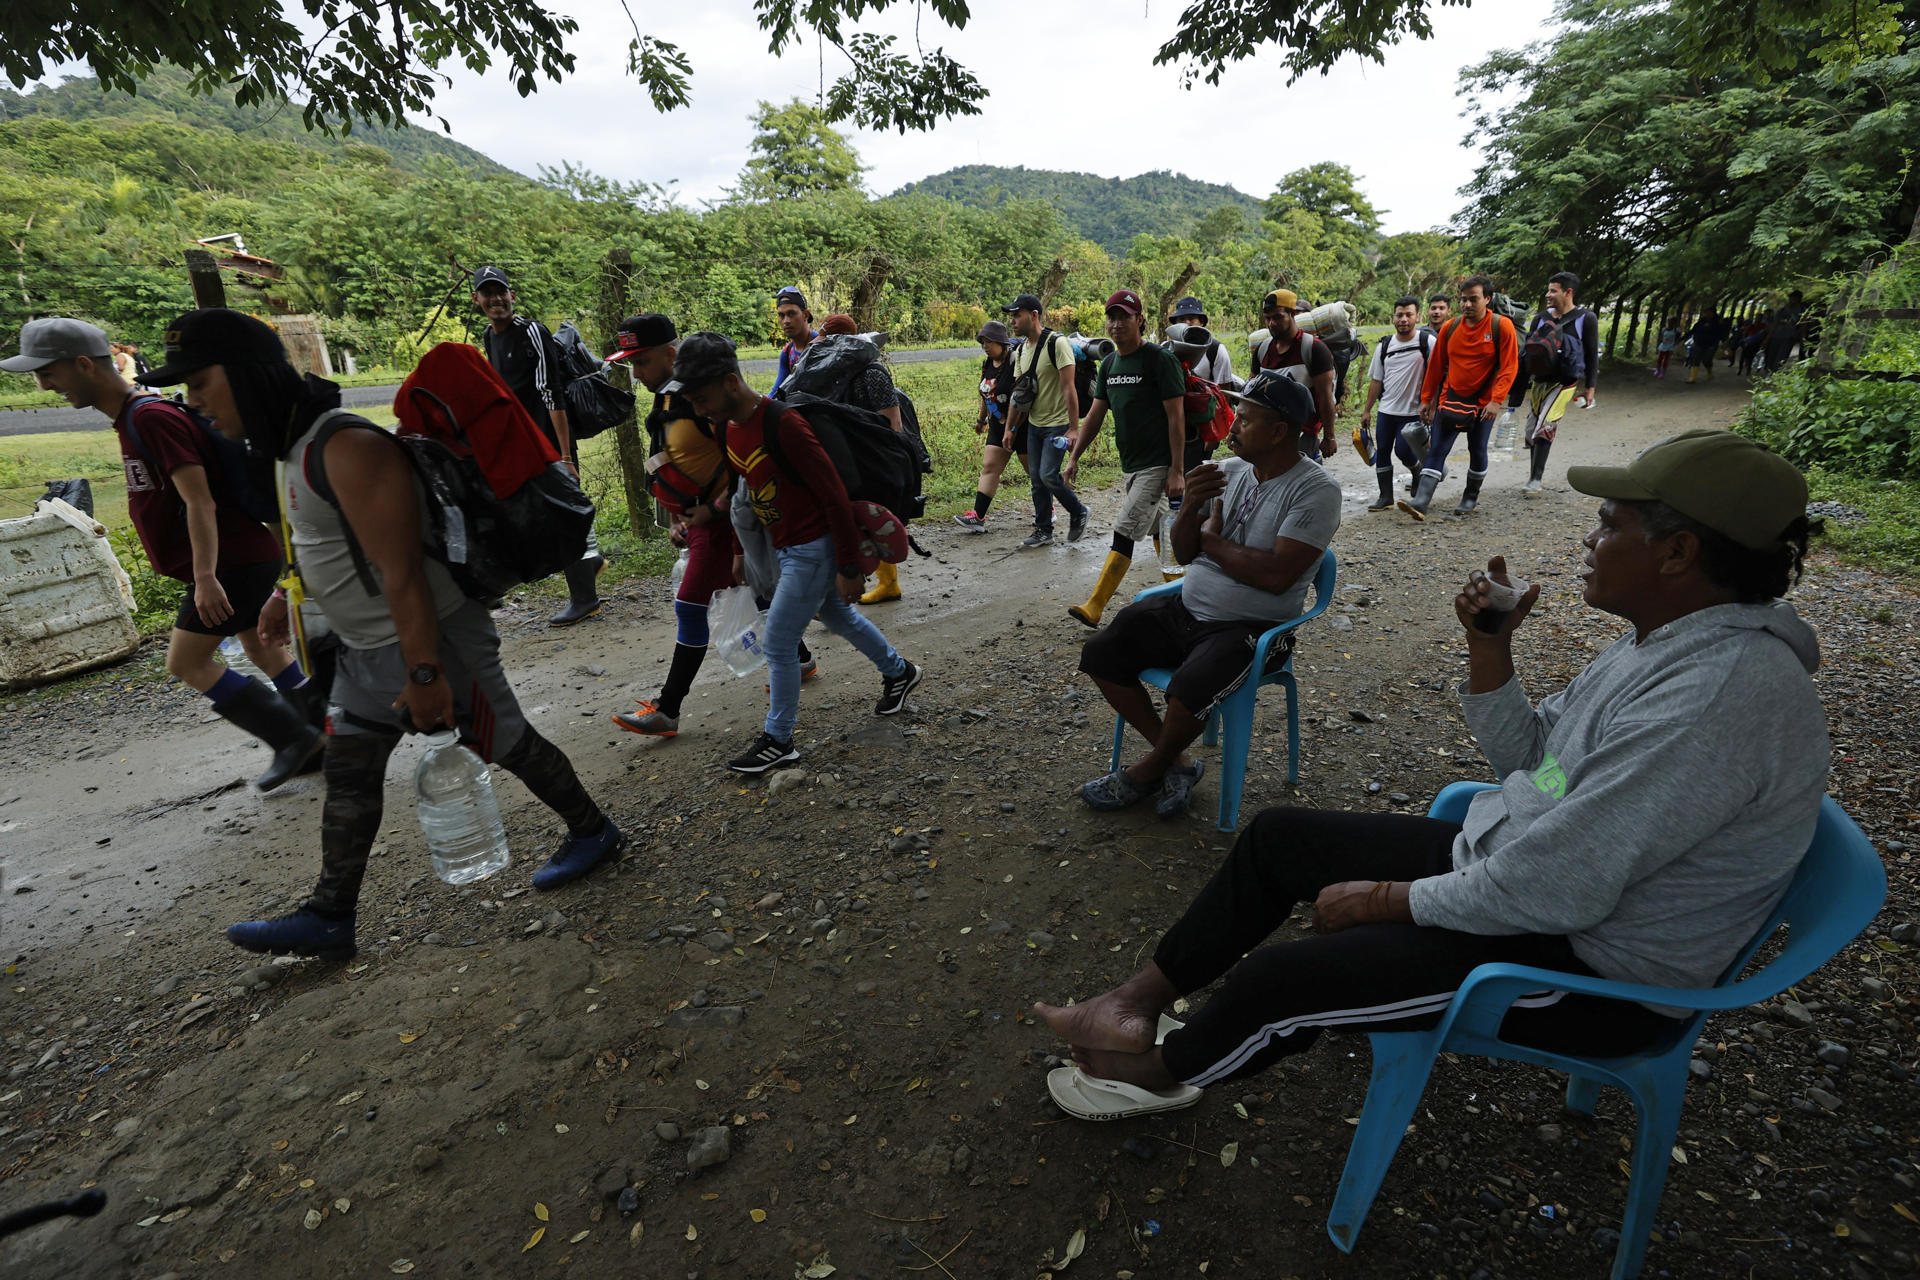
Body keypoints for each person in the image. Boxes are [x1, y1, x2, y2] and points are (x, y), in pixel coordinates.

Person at [1035, 429, 1825, 1113]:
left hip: (1589, 967)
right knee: (1281, 840)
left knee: (1281, 982)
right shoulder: (1669, 639)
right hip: (1531, 874)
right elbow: (1539, 766)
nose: (1590, 538)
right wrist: (1491, 647)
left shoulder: (1716, 694)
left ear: (1681, 552)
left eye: (1609, 524)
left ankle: (1154, 1074)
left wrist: (1391, 901)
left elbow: (1564, 889)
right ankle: (1134, 1004)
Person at [138, 308, 625, 957]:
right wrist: (288, 592)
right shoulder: (290, 450)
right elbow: (322, 540)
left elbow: (403, 575)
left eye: (201, 382)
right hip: (370, 648)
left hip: (435, 639)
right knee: (349, 771)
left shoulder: (345, 447)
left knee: (506, 739)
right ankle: (330, 914)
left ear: (248, 375)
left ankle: (594, 832)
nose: (192, 401)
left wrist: (425, 674)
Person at [5, 317, 321, 792]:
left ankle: (295, 739)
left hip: (227, 561)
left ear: (84, 365)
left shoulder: (150, 417)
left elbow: (199, 499)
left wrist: (206, 576)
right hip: (236, 557)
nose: (44, 385)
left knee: (186, 663)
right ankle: (323, 735)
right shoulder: (134, 417)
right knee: (260, 645)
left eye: (47, 373)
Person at [1076, 372, 1340, 818]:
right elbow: (1183, 551)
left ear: (1279, 431)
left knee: (1193, 684)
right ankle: (1177, 762)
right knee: (1103, 651)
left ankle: (1147, 770)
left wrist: (1213, 543)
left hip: (1254, 629)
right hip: (1188, 607)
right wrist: (1191, 508)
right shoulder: (1229, 472)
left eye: (1245, 420)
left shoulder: (1316, 491)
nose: (1232, 427)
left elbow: (1276, 576)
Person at [673, 332, 924, 775]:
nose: (699, 409)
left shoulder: (783, 423)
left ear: (731, 381)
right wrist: (737, 551)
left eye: (702, 397)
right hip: (784, 547)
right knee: (837, 617)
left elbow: (832, 495)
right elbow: (739, 491)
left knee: (780, 641)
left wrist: (848, 565)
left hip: (813, 546)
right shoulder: (727, 427)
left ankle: (779, 739)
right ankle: (900, 671)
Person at [603, 313, 742, 739]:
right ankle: (802, 659)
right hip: (700, 521)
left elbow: (741, 467)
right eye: (631, 364)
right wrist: (674, 518)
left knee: (690, 606)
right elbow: (674, 463)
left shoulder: (702, 402)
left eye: (641, 361)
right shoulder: (665, 398)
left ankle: (668, 709)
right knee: (766, 600)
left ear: (670, 354)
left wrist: (737, 540)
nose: (636, 372)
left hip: (724, 523)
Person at [471, 265, 603, 627]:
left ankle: (585, 598)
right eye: (488, 293)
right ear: (477, 299)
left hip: (550, 442)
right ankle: (589, 564)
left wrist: (564, 455)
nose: (496, 299)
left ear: (513, 296)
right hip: (522, 441)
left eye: (502, 292)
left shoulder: (531, 332)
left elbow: (552, 393)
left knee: (562, 514)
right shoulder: (489, 335)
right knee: (541, 512)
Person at [1062, 290, 1188, 627]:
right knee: (1164, 531)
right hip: (1131, 465)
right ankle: (1185, 600)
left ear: (1140, 320)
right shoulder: (1109, 365)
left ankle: (1095, 605)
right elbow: (1095, 417)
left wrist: (1177, 471)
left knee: (1125, 529)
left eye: (1125, 317)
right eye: (1112, 317)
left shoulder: (1159, 361)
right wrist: (1074, 458)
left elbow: (1177, 418)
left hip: (1158, 464)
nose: (1116, 324)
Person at [1400, 275, 1518, 519]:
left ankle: (1470, 497)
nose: (1467, 305)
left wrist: (1496, 400)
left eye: (1473, 299)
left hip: (1483, 404)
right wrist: (1427, 399)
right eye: (1463, 300)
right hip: (1449, 399)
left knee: (1477, 450)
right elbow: (1435, 366)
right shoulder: (1450, 327)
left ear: (1487, 299)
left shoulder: (1501, 326)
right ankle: (1421, 502)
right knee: (1436, 450)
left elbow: (1509, 366)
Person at [1002, 292, 1087, 548]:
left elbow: (1069, 388)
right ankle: (1043, 530)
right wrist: (1010, 428)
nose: (1013, 321)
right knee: (1037, 479)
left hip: (1058, 424)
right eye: (1012, 316)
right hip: (1035, 425)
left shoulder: (1057, 344)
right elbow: (1020, 395)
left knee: (1049, 475)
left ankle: (1079, 511)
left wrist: (1074, 428)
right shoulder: (1019, 350)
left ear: (1034, 315)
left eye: (1017, 315)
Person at [1357, 296, 1431, 511]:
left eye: (1409, 314)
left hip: (1414, 412)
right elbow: (1376, 381)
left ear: (1418, 316)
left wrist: (1433, 404)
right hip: (1387, 410)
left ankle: (1417, 471)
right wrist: (1367, 410)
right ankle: (1385, 497)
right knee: (1383, 452)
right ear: (1393, 318)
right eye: (1400, 315)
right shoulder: (1385, 345)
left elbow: (1438, 374)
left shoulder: (1427, 342)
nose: (1404, 319)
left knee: (1403, 450)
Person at [1513, 288, 1588, 497]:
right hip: (1539, 382)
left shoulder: (1584, 319)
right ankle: (1533, 475)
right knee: (1532, 428)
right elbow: (1527, 352)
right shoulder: (1540, 318)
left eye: (1553, 290)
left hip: (1565, 382)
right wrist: (1517, 388)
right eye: (1546, 290)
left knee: (1546, 424)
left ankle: (1535, 478)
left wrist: (1590, 387)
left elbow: (1591, 353)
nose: (1547, 294)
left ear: (1568, 292)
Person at [1248, 289, 1338, 459]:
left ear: (1293, 314)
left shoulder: (1314, 349)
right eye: (1268, 319)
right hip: (1267, 431)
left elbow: (1325, 397)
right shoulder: (1262, 350)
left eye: (1277, 317)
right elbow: (1252, 393)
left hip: (1303, 434)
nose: (1271, 324)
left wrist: (1329, 436)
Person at [954, 320, 1023, 533]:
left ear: (1002, 342)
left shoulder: (1015, 362)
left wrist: (1012, 428)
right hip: (996, 426)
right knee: (989, 468)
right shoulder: (987, 364)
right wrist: (980, 420)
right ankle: (978, 517)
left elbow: (1021, 397)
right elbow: (986, 394)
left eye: (990, 342)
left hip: (1020, 425)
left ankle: (1047, 510)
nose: (985, 346)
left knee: (1036, 473)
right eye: (983, 342)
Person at [1167, 296, 1237, 387]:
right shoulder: (1167, 349)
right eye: (1181, 319)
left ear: (1201, 322)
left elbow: (1224, 391)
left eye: (1191, 319)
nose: (1186, 323)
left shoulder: (1215, 349)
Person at [770, 286, 817, 392]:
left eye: (791, 314)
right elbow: (778, 390)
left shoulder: (820, 345)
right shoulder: (788, 352)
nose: (786, 321)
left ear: (805, 315)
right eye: (781, 315)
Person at [1764, 291, 1805, 371]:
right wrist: (1767, 339)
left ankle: (1774, 375)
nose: (1792, 300)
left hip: (1789, 338)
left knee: (1780, 359)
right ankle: (1771, 371)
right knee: (1771, 358)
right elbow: (1774, 326)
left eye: (1795, 298)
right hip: (1776, 337)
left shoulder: (1801, 310)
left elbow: (1803, 325)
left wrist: (1802, 339)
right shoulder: (1782, 310)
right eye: (1791, 297)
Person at [1685, 308, 1723, 384]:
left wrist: (1723, 341)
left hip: (1711, 345)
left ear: (1713, 314)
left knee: (1706, 360)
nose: (1708, 314)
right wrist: (1683, 338)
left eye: (1710, 313)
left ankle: (1709, 372)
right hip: (1698, 343)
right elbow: (1693, 331)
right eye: (1706, 313)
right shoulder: (1700, 323)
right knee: (1695, 359)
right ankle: (1693, 378)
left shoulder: (1717, 324)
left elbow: (1721, 334)